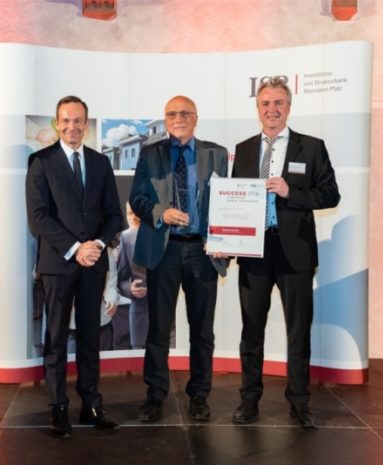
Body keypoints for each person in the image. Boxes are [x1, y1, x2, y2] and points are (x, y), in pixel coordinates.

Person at [230, 77, 340, 429]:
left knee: (298, 332)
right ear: (258, 108)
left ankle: (299, 403)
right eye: (265, 103)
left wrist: (292, 192)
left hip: (295, 254)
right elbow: (234, 201)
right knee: (251, 331)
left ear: (288, 107)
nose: (272, 109)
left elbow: (330, 194)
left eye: (278, 103)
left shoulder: (312, 147)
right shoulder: (244, 149)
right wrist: (225, 241)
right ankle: (249, 401)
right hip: (254, 253)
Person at [25, 95, 123, 438]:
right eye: (65, 120)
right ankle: (58, 407)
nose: (72, 126)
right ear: (56, 124)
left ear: (86, 124)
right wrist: (74, 248)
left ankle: (91, 404)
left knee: (89, 338)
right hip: (58, 264)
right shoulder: (41, 162)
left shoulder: (100, 162)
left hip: (93, 264)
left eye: (78, 120)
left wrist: (96, 245)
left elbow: (114, 214)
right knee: (55, 338)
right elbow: (38, 217)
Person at [129, 95, 228, 423]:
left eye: (185, 113)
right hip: (165, 250)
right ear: (165, 118)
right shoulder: (150, 153)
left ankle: (199, 395)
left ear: (196, 118)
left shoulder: (216, 153)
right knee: (158, 329)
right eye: (172, 113)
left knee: (203, 331)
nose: (178, 118)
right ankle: (155, 395)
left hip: (202, 251)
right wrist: (162, 212)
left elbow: (229, 201)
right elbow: (137, 198)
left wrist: (227, 239)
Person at [117, 203, 148, 349]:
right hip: (139, 313)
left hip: (164, 312)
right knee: (139, 359)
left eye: (137, 213)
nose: (134, 217)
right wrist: (130, 288)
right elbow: (121, 280)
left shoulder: (165, 235)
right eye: (130, 213)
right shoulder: (126, 237)